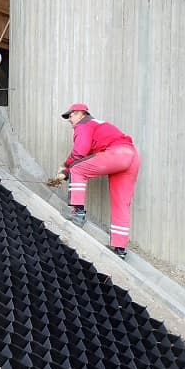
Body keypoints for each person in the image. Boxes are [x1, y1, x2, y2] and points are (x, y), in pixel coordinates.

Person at [55, 102, 140, 258]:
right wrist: (68, 171)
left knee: (77, 168)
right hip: (132, 155)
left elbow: (79, 153)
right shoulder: (97, 124)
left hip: (117, 154)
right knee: (121, 202)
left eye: (70, 115)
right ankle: (120, 249)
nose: (69, 119)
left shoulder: (83, 125)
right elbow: (87, 157)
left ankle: (78, 214)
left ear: (81, 113)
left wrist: (65, 168)